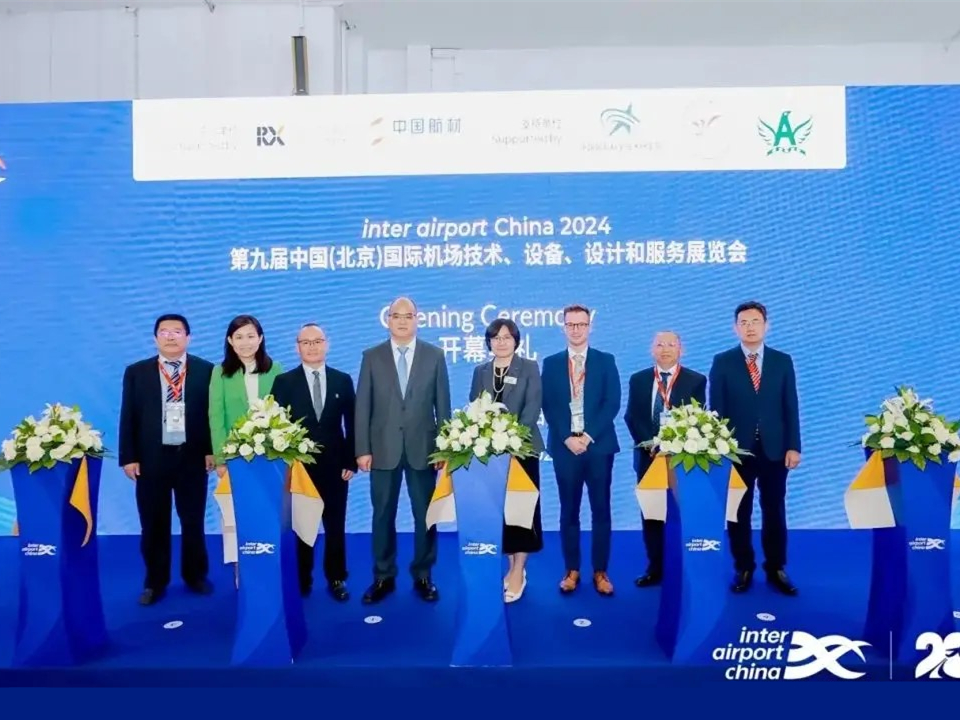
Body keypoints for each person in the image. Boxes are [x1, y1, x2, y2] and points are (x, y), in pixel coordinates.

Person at [355, 296, 452, 604]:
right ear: (388, 320)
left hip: (424, 449)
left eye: (408, 316)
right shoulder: (372, 356)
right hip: (382, 449)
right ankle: (383, 576)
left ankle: (423, 574)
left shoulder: (434, 356)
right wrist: (362, 449)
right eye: (396, 316)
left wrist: (444, 449)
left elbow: (443, 406)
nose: (401, 321)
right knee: (382, 513)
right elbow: (362, 406)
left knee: (425, 515)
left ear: (417, 320)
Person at [118, 313, 215, 606]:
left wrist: (212, 450)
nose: (170, 336)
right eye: (164, 331)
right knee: (153, 523)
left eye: (177, 331)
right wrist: (128, 456)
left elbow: (212, 415)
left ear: (189, 337)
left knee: (193, 520)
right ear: (155, 338)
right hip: (150, 459)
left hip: (192, 457)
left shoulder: (207, 371)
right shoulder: (137, 372)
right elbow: (128, 415)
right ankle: (154, 582)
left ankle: (195, 575)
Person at [709, 301, 800, 596]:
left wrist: (794, 446)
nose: (750, 327)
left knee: (774, 508)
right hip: (737, 450)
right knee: (739, 511)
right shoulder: (723, 361)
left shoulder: (782, 361)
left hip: (775, 449)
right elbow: (717, 409)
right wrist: (720, 448)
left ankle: (776, 567)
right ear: (735, 327)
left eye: (755, 321)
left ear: (766, 325)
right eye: (744, 322)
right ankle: (744, 566)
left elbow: (790, 406)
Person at [271, 323, 356, 601]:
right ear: (297, 347)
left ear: (326, 344)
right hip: (299, 468)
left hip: (336, 466)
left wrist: (351, 461)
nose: (312, 347)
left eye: (317, 341)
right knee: (302, 525)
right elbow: (276, 426)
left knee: (335, 525)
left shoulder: (342, 380)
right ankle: (302, 578)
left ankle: (336, 577)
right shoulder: (284, 382)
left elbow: (352, 423)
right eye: (305, 342)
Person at [540, 304, 621, 596]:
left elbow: (612, 403)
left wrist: (587, 436)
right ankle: (571, 570)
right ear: (564, 327)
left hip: (598, 446)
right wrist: (566, 437)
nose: (576, 330)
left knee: (601, 510)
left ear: (590, 327)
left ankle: (600, 571)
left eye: (581, 324)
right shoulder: (551, 363)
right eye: (571, 325)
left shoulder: (605, 360)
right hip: (565, 448)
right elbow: (548, 405)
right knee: (568, 510)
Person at [469, 318, 544, 602]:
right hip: (491, 454)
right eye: (496, 338)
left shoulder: (529, 367)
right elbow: (475, 407)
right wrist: (488, 439)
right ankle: (511, 565)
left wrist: (511, 439)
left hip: (522, 450)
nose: (501, 342)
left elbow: (532, 407)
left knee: (522, 511)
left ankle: (518, 569)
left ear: (516, 340)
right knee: (500, 511)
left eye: (507, 337)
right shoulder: (481, 371)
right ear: (489, 342)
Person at [624, 330, 706, 587]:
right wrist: (650, 443)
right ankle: (655, 567)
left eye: (671, 344)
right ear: (652, 349)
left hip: (681, 459)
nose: (665, 349)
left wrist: (673, 445)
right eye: (660, 344)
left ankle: (685, 566)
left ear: (681, 349)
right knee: (651, 514)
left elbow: (697, 419)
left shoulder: (695, 380)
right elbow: (632, 416)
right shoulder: (638, 379)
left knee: (683, 513)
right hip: (648, 457)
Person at [208, 315, 283, 477]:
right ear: (230, 340)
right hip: (234, 455)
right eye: (239, 337)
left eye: (250, 336)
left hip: (271, 454)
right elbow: (216, 418)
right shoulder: (220, 372)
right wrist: (221, 459)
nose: (245, 343)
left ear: (260, 338)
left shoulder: (275, 369)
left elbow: (282, 413)